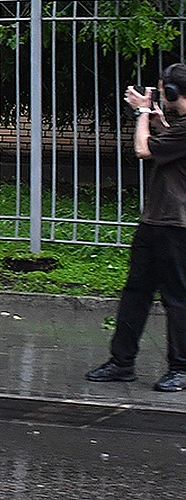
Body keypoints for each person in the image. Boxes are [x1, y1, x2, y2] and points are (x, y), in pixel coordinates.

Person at [86, 63, 186, 392]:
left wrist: (143, 113)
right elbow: (165, 143)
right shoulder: (179, 125)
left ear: (173, 93)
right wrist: (157, 121)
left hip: (176, 225)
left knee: (177, 298)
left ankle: (181, 368)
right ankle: (122, 362)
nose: (160, 96)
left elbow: (144, 150)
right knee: (136, 292)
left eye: (163, 91)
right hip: (154, 221)